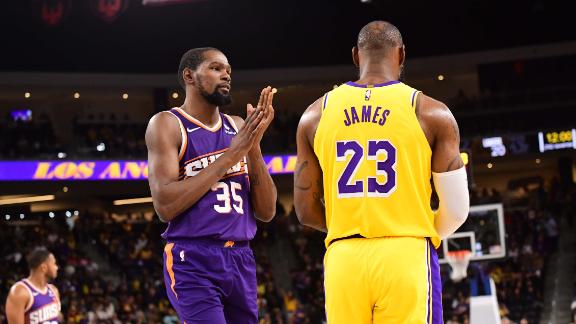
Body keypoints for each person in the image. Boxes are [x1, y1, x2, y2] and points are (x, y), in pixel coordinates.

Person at [294, 21, 470, 323]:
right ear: (401, 55)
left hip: (343, 257)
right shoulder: (431, 111)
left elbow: (305, 212)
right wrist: (414, 230)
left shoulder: (314, 115)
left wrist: (351, 228)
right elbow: (456, 210)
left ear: (354, 56)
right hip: (406, 253)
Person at [145, 47, 277, 323]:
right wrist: (231, 155)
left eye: (228, 70)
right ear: (189, 76)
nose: (226, 75)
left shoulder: (239, 126)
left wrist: (252, 147)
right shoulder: (167, 124)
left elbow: (266, 211)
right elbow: (165, 206)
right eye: (216, 69)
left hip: (241, 256)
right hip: (192, 258)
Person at [5, 247, 61, 324]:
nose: (57, 267)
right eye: (54, 263)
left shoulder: (54, 290)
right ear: (44, 267)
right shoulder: (20, 291)